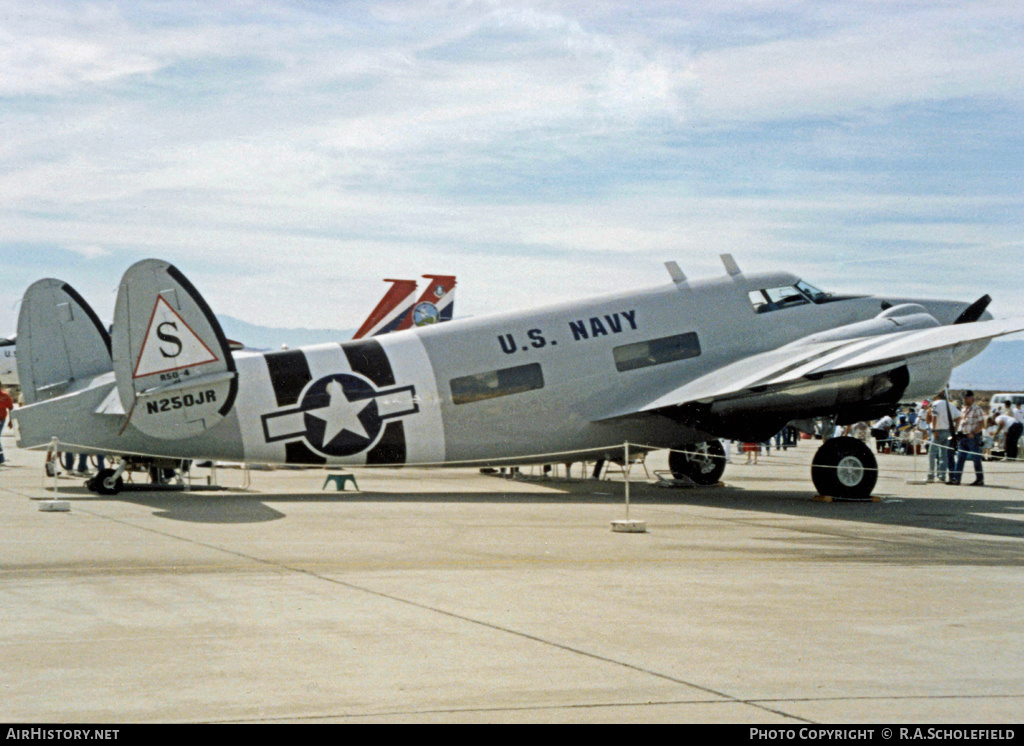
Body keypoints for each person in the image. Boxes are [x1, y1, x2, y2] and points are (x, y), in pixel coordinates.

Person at [950, 391, 986, 486]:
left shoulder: (976, 409)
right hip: (963, 436)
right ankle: (956, 479)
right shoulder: (963, 409)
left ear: (972, 398)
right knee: (960, 458)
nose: (965, 399)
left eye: (967, 397)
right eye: (964, 398)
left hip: (973, 437)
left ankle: (979, 479)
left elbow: (982, 424)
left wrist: (973, 432)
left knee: (976, 458)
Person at [926, 391, 959, 483]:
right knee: (943, 455)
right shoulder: (951, 405)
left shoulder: (936, 404)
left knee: (932, 454)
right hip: (947, 431)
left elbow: (934, 417)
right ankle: (942, 476)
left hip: (938, 431)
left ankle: (931, 475)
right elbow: (958, 417)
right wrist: (954, 429)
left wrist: (934, 430)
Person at [0, 382, 14, 466]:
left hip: (1, 419)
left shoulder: (5, 396)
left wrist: (11, 420)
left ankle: (1, 458)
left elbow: (11, 408)